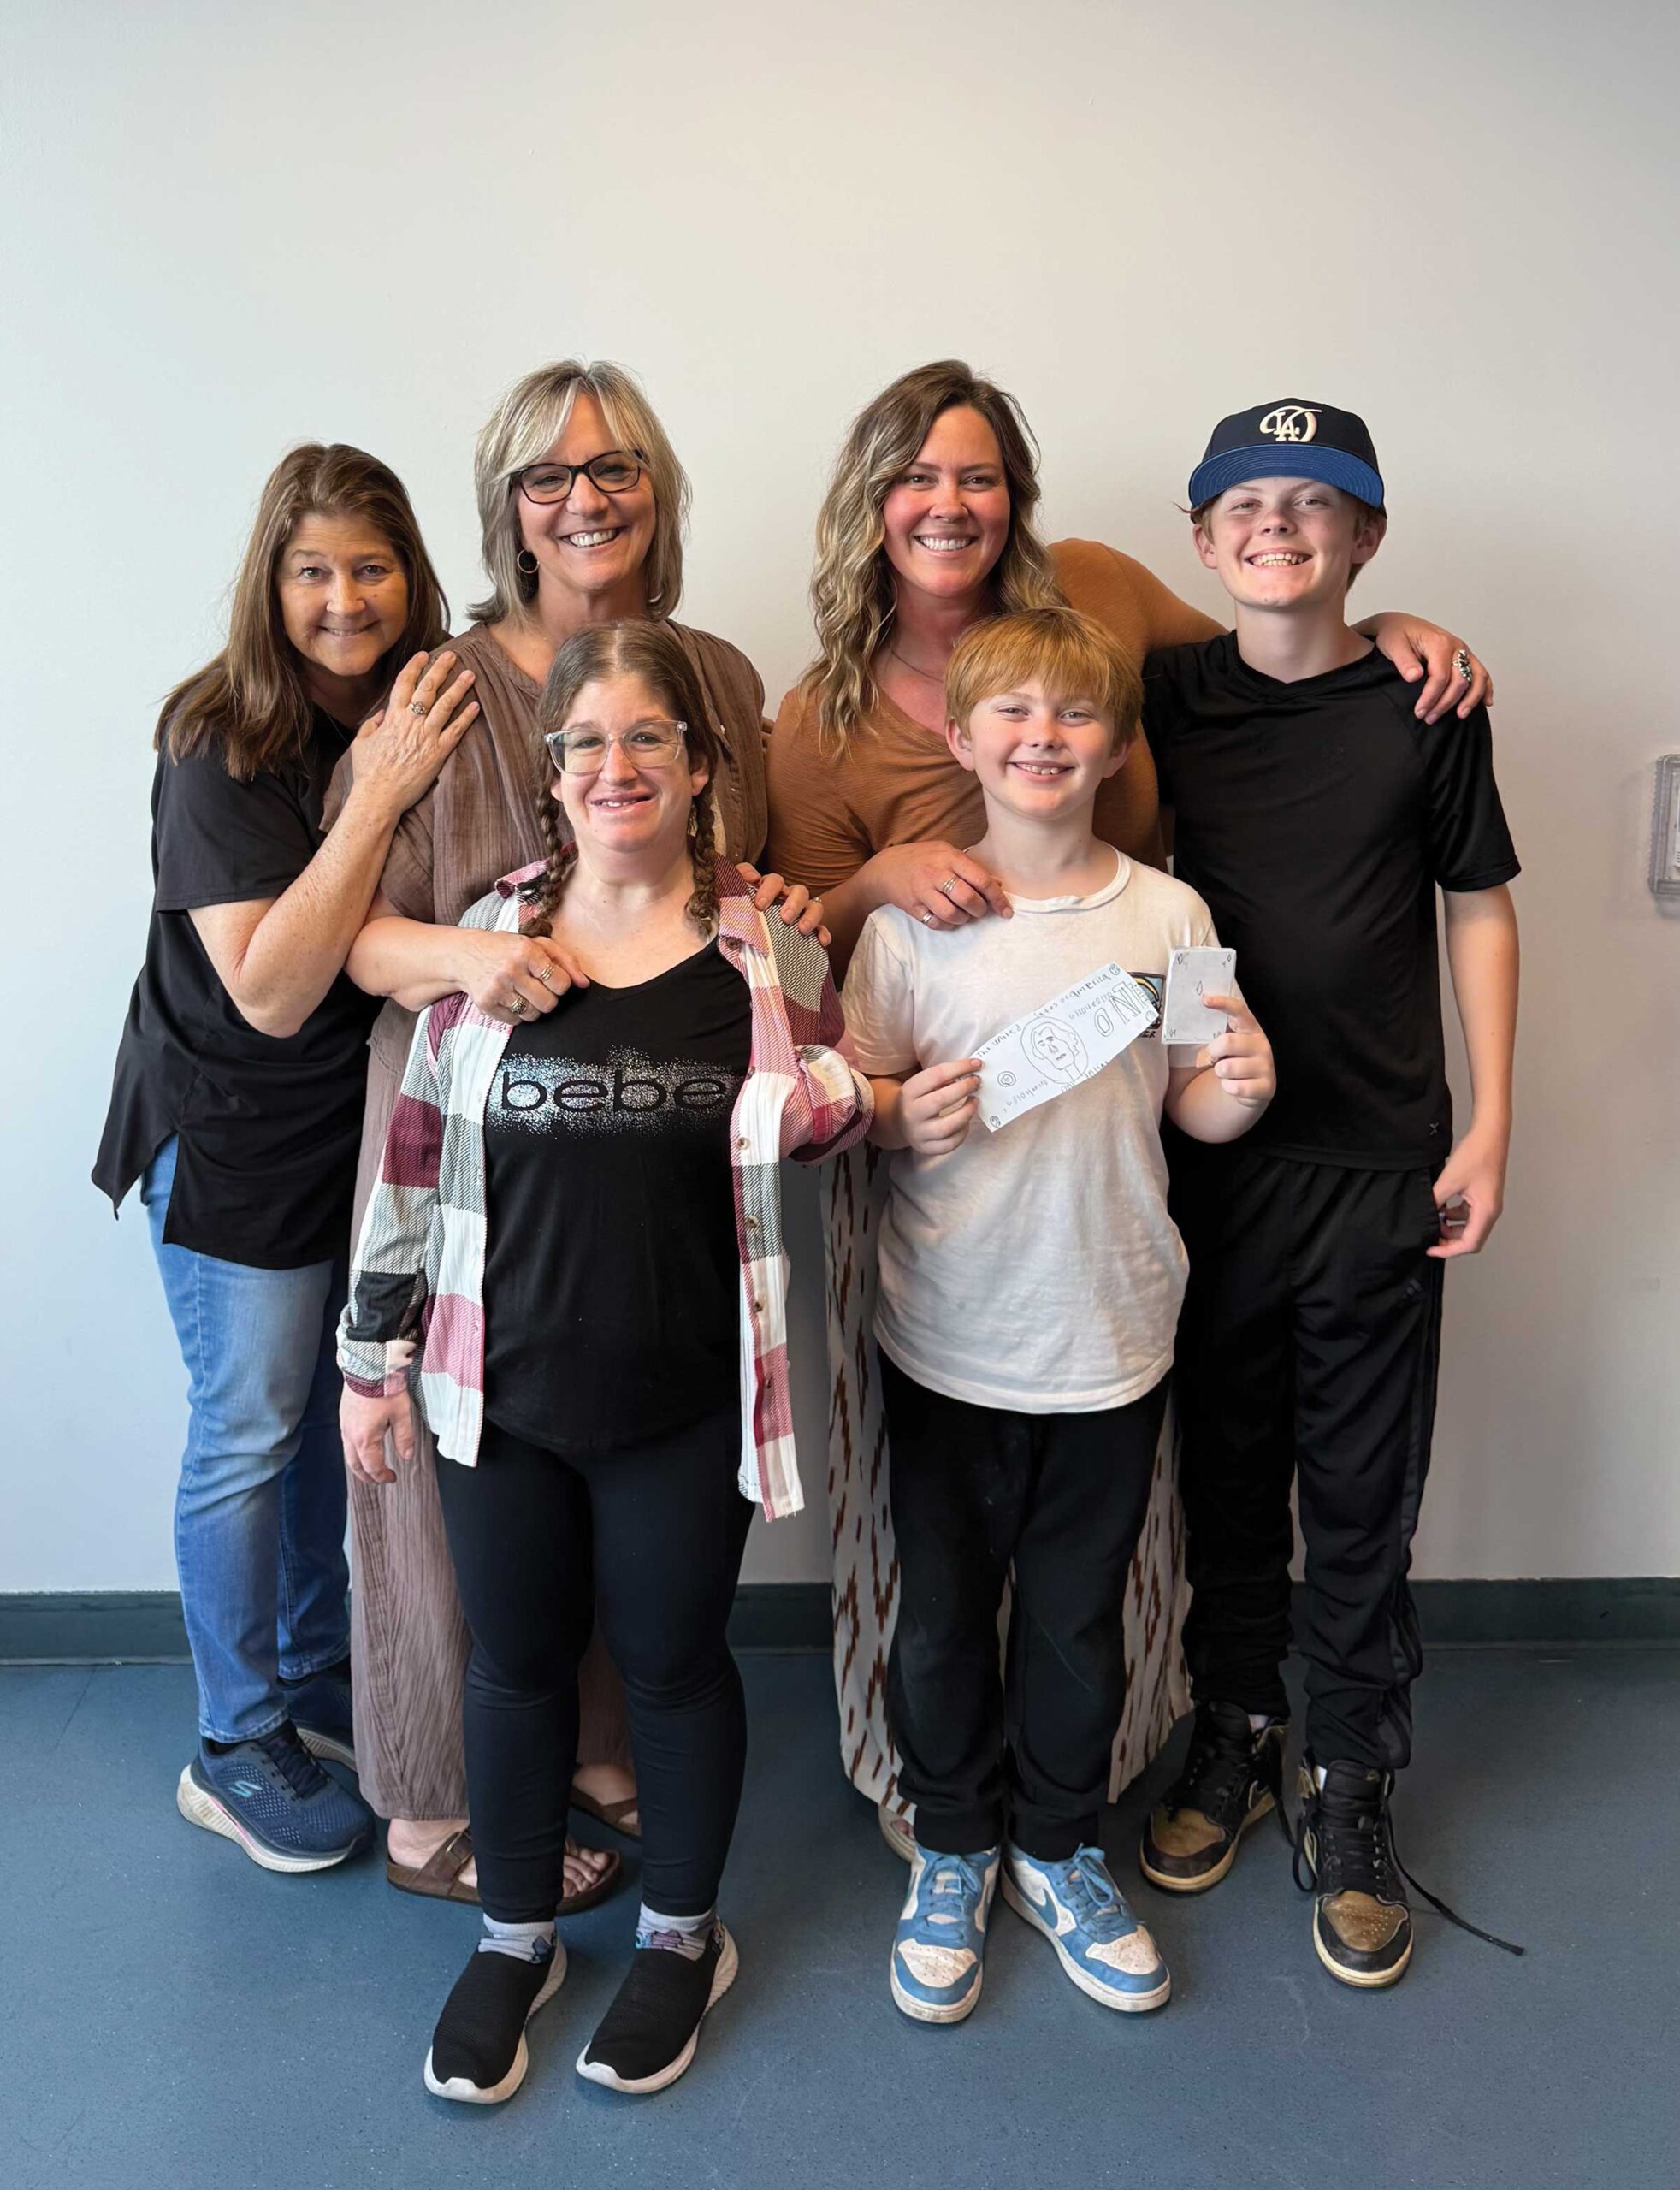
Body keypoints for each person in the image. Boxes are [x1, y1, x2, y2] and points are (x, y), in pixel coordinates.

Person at [763, 358, 1493, 1847]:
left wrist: (1394, 631)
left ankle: (1119, 1776)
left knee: (1116, 1533)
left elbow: (1277, 633)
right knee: (945, 1550)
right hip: (945, 1178)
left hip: (1137, 1153)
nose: (950, 503)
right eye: (917, 477)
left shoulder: (1100, 600)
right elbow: (804, 958)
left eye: (978, 474)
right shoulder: (820, 717)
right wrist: (882, 879)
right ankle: (937, 1800)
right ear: (869, 504)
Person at [339, 621, 869, 2102]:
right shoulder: (494, 940)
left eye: (648, 738)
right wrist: (370, 1362)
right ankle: (514, 1938)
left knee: (673, 1667)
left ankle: (684, 1936)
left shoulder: (767, 944)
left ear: (699, 767)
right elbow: (415, 1159)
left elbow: (836, 1094)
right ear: (553, 769)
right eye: (586, 741)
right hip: (499, 1397)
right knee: (511, 1668)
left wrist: (838, 1097)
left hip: (686, 1400)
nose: (616, 765)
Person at [330, 359, 821, 1910]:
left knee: (638, 1497)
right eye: (546, 475)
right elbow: (348, 940)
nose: (584, 499)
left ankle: (617, 1787)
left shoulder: (719, 673)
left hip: (655, 1161)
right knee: (461, 1523)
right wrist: (477, 958)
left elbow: (747, 897)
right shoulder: (443, 691)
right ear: (507, 507)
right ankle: (442, 1811)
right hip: (473, 1146)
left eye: (614, 468)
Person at [841, 606, 1275, 2022]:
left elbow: (1200, 1100)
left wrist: (1242, 1087)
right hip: (946, 1334)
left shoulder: (1173, 915)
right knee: (943, 1616)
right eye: (1013, 714)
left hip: (1112, 1332)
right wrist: (895, 1113)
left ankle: (1058, 1845)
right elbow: (854, 1096)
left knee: (1081, 1619)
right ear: (961, 740)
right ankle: (952, 1845)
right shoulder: (909, 925)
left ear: (1117, 746)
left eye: (1075, 714)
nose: (1044, 737)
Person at [1135, 400, 1521, 1989]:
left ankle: (1349, 1774)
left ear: (1366, 536)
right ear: (1203, 538)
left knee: (1361, 1490)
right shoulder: (1161, 696)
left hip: (1379, 1165)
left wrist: (1491, 1123)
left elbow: (1479, 907)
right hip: (1211, 1159)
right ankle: (1233, 1721)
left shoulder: (1427, 702)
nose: (1276, 528)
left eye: (1314, 504)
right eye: (1246, 505)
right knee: (1227, 1473)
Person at [93, 443, 479, 1871]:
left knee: (335, 1421)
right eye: (312, 570)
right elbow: (268, 987)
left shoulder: (422, 699)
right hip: (230, 1140)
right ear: (270, 581)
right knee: (249, 1433)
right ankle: (233, 1738)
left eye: (371, 567)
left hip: (355, 1132)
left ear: (411, 576)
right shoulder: (218, 741)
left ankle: (318, 1669)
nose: (343, 599)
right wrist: (376, 796)